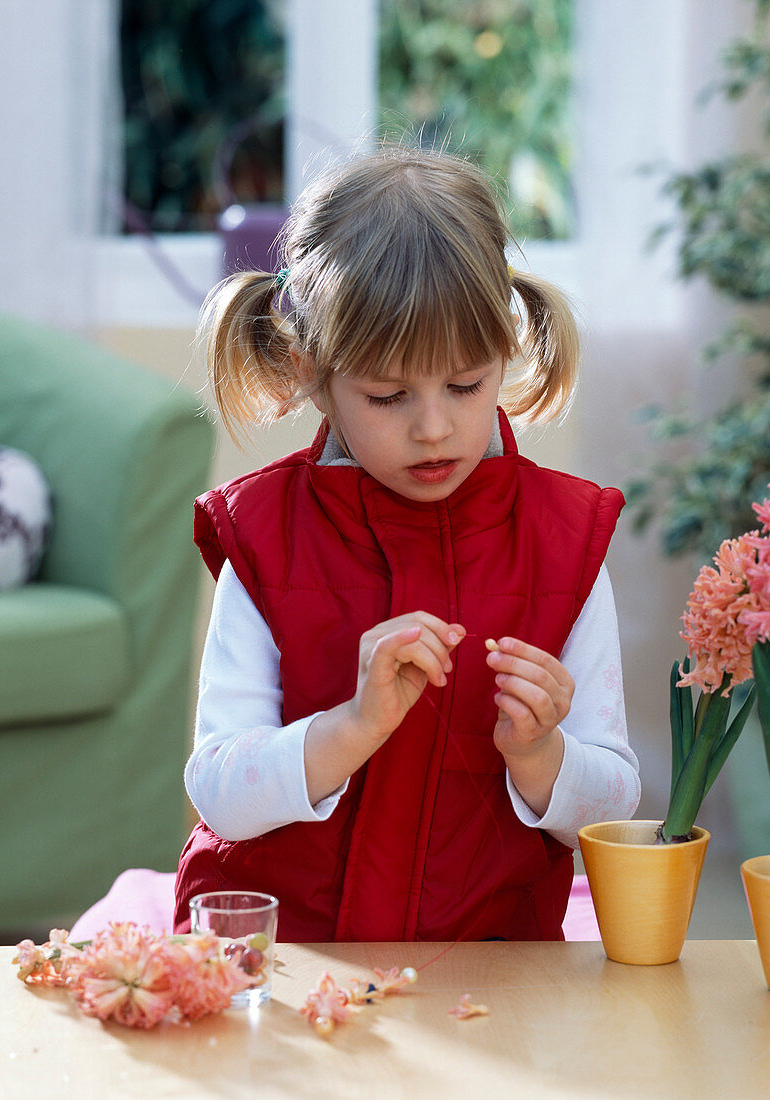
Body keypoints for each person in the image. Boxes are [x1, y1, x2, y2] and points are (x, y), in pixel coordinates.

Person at [173, 144, 640, 943]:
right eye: (388, 395)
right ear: (311, 371)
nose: (434, 427)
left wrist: (540, 753)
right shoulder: (264, 537)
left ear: (507, 348)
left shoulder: (566, 547)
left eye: (466, 384)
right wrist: (350, 727)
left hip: (492, 976)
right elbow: (219, 790)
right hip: (288, 961)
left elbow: (612, 808)